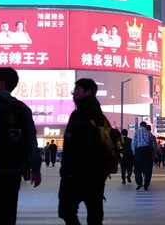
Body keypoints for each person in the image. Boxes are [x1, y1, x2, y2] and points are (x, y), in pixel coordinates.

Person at [0, 67, 42, 225]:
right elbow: (31, 140)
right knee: (8, 214)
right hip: (13, 170)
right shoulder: (23, 108)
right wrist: (36, 169)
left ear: (2, 83)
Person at [58, 78, 113, 225]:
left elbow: (73, 147)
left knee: (66, 210)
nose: (73, 94)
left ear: (88, 92)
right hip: (96, 174)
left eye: (77, 91)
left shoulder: (79, 115)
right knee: (94, 214)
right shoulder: (101, 117)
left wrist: (66, 170)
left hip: (76, 173)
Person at [132, 121, 155, 190]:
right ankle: (146, 185)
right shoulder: (149, 133)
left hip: (139, 151)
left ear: (140, 125)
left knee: (137, 169)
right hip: (147, 151)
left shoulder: (136, 132)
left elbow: (133, 143)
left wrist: (134, 152)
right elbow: (152, 144)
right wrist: (152, 153)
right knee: (148, 168)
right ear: (145, 126)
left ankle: (139, 183)